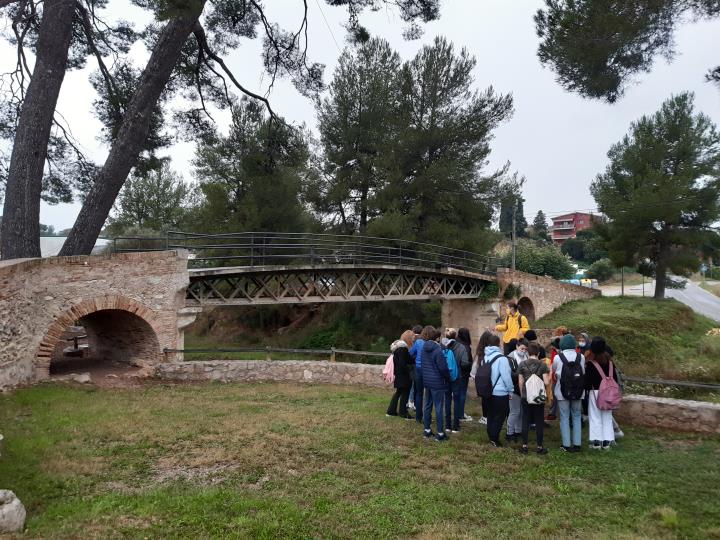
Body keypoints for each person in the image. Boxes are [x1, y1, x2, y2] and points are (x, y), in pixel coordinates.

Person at [552, 334, 585, 452]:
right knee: (576, 415)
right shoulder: (581, 357)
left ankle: (566, 444)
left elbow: (555, 371)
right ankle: (577, 444)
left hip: (562, 391)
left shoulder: (557, 357)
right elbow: (583, 371)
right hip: (578, 390)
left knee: (564, 417)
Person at [584, 336, 618, 450]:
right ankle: (607, 441)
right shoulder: (610, 363)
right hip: (609, 392)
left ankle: (596, 442)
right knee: (607, 417)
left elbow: (587, 382)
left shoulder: (590, 364)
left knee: (595, 417)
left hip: (596, 392)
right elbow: (615, 379)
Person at [518, 342, 551, 454]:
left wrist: (522, 394)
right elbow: (546, 382)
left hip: (525, 396)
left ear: (528, 352)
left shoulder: (522, 364)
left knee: (525, 420)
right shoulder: (542, 365)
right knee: (539, 420)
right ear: (538, 352)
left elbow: (520, 382)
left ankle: (524, 446)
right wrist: (549, 374)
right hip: (538, 397)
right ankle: (539, 447)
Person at [483, 333, 515, 447]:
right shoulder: (502, 359)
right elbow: (506, 376)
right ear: (498, 344)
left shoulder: (485, 357)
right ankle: (494, 438)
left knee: (491, 414)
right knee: (500, 415)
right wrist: (510, 390)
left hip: (487, 390)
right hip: (500, 391)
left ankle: (491, 434)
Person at [421, 327, 452, 442]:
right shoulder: (438, 350)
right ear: (437, 338)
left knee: (428, 405)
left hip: (427, 381)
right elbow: (443, 368)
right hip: (437, 382)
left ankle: (427, 430)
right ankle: (440, 433)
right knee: (439, 407)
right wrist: (448, 378)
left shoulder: (424, 348)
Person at [443, 328, 469, 433]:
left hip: (445, 376)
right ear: (455, 336)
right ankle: (456, 425)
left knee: (447, 400)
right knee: (457, 400)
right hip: (457, 376)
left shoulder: (442, 346)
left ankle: (447, 425)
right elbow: (464, 363)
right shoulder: (461, 347)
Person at [386, 330, 415, 418]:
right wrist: (408, 371)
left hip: (398, 374)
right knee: (405, 394)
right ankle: (403, 412)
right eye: (412, 338)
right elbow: (403, 362)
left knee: (398, 393)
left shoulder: (398, 349)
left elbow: (408, 359)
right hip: (403, 375)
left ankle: (391, 411)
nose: (413, 340)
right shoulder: (403, 349)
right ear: (409, 338)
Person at [506, 338, 529, 442]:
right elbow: (509, 374)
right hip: (514, 388)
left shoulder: (527, 356)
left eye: (525, 349)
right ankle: (509, 433)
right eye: (522, 348)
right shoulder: (510, 357)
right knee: (515, 411)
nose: (523, 351)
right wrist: (521, 374)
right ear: (517, 346)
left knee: (522, 411)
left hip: (525, 388)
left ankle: (518, 431)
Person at [471, 330, 495, 425]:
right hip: (492, 377)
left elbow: (475, 367)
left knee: (485, 399)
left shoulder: (480, 352)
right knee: (490, 398)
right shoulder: (493, 350)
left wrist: (474, 376)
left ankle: (485, 417)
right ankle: (490, 416)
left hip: (483, 379)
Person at [409, 325, 430, 423]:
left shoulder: (418, 342)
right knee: (429, 395)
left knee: (418, 393)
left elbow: (410, 353)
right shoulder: (433, 344)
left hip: (418, 369)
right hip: (429, 370)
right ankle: (427, 417)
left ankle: (418, 417)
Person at [456, 327, 473, 422]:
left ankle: (457, 412)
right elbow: (467, 362)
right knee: (462, 393)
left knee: (457, 394)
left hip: (455, 372)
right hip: (463, 373)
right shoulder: (466, 347)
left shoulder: (454, 343)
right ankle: (460, 414)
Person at [407, 325, 423, 412]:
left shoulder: (415, 339)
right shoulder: (423, 340)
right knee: (417, 387)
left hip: (415, 364)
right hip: (420, 365)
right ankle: (413, 402)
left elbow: (411, 352)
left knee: (413, 384)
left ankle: (411, 402)